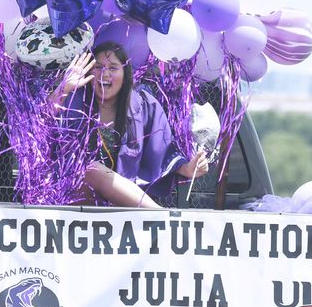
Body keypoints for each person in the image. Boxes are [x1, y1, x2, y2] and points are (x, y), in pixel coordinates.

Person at [53, 43, 208, 209]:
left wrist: (187, 168)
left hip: (124, 203)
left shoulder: (142, 104)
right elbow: (42, 124)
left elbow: (161, 152)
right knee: (89, 169)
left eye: (113, 68)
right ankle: (159, 214)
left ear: (125, 74)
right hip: (76, 196)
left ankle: (159, 216)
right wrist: (64, 88)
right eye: (98, 67)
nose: (104, 74)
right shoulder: (73, 100)